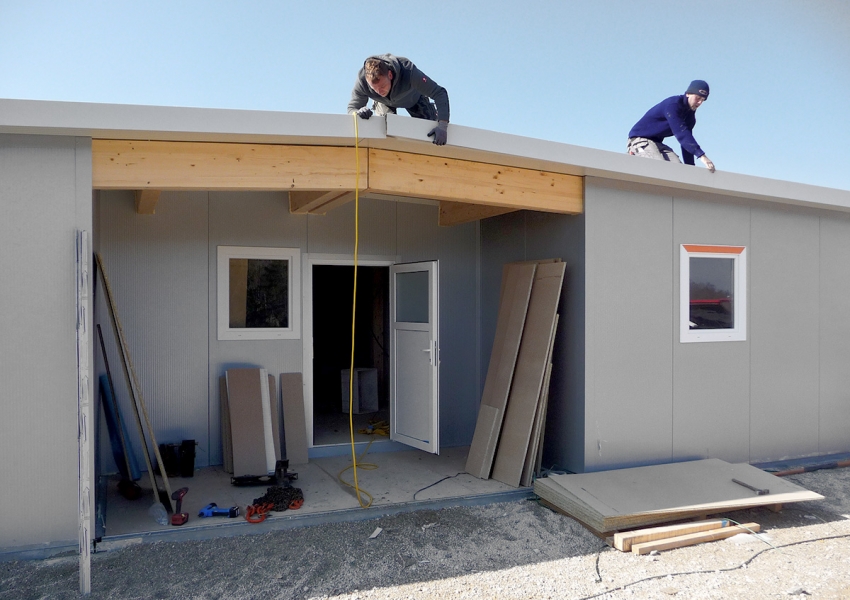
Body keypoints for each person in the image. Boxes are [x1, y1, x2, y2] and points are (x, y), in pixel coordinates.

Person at [348, 54, 450, 146]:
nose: (379, 91)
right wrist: (357, 113)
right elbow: (352, 108)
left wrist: (443, 126)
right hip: (383, 103)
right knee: (385, 130)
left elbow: (439, 93)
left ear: (390, 75)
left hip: (413, 98)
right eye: (374, 88)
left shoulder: (409, 72)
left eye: (383, 86)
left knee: (430, 130)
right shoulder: (362, 81)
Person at [627, 80, 715, 172]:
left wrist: (691, 168)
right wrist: (702, 156)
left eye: (702, 100)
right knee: (660, 168)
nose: (699, 102)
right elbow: (681, 133)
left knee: (678, 171)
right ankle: (634, 154)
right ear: (688, 94)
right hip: (639, 139)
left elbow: (686, 142)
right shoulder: (673, 105)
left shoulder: (690, 117)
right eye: (697, 98)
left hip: (658, 144)